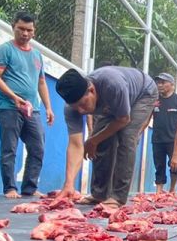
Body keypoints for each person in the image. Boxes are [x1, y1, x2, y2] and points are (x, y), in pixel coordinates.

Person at [57, 66, 158, 207]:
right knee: (101, 140)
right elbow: (75, 145)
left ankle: (118, 196)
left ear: (91, 90)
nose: (81, 111)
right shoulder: (71, 109)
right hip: (114, 100)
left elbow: (123, 119)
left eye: (83, 104)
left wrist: (93, 140)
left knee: (126, 136)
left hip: (143, 93)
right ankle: (99, 193)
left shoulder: (112, 85)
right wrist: (69, 184)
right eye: (75, 107)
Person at [0, 13, 55, 198]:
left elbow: (41, 82)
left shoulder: (36, 55)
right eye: (21, 29)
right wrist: (14, 97)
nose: (25, 33)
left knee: (38, 147)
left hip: (33, 109)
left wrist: (48, 107)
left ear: (34, 31)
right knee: (9, 148)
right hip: (9, 107)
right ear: (13, 27)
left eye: (29, 30)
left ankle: (29, 188)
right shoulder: (5, 50)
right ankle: (10, 188)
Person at [149, 72, 177, 193]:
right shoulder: (154, 100)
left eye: (163, 82)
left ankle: (172, 189)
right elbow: (148, 117)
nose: (159, 85)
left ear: (171, 84)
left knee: (175, 165)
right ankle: (159, 191)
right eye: (158, 82)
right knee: (159, 165)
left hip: (173, 139)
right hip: (157, 139)